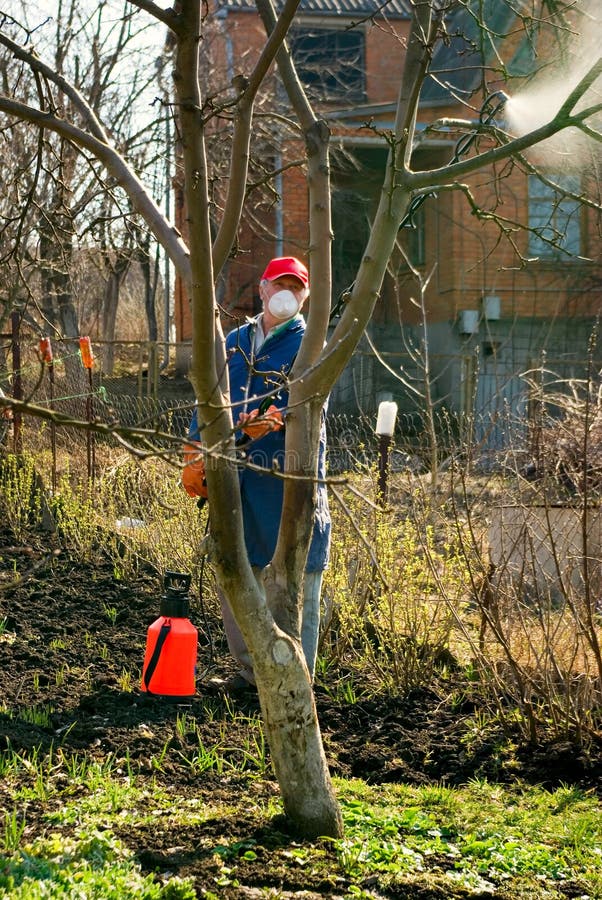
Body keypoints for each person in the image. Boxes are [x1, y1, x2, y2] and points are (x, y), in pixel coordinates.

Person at [182, 256, 331, 692]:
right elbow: (209, 397)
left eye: (296, 287)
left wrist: (278, 416)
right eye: (278, 284)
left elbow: (312, 408)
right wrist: (195, 447)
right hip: (235, 482)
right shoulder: (234, 340)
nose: (286, 293)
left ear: (305, 296)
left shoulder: (312, 344)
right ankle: (252, 673)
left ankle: (295, 680)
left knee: (292, 583)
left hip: (285, 482)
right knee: (235, 572)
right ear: (262, 289)